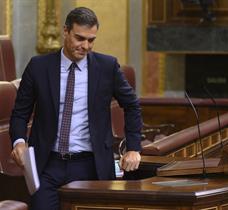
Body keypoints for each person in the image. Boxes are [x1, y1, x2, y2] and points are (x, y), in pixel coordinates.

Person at [9, 7, 142, 210]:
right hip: (47, 165)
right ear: (66, 31)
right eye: (80, 38)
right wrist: (19, 142)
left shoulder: (107, 67)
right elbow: (20, 112)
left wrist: (133, 148)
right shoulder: (38, 66)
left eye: (91, 40)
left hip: (91, 165)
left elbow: (132, 105)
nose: (85, 46)